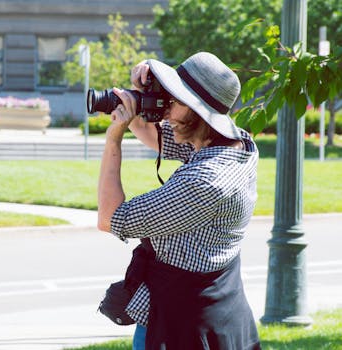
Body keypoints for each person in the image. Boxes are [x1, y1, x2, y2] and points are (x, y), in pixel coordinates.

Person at [97, 52, 261, 349]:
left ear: (200, 114)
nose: (166, 112)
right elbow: (153, 136)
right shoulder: (235, 143)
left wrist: (113, 139)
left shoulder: (204, 181)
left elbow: (109, 218)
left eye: (174, 102)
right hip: (219, 310)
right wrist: (140, 101)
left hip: (184, 324)